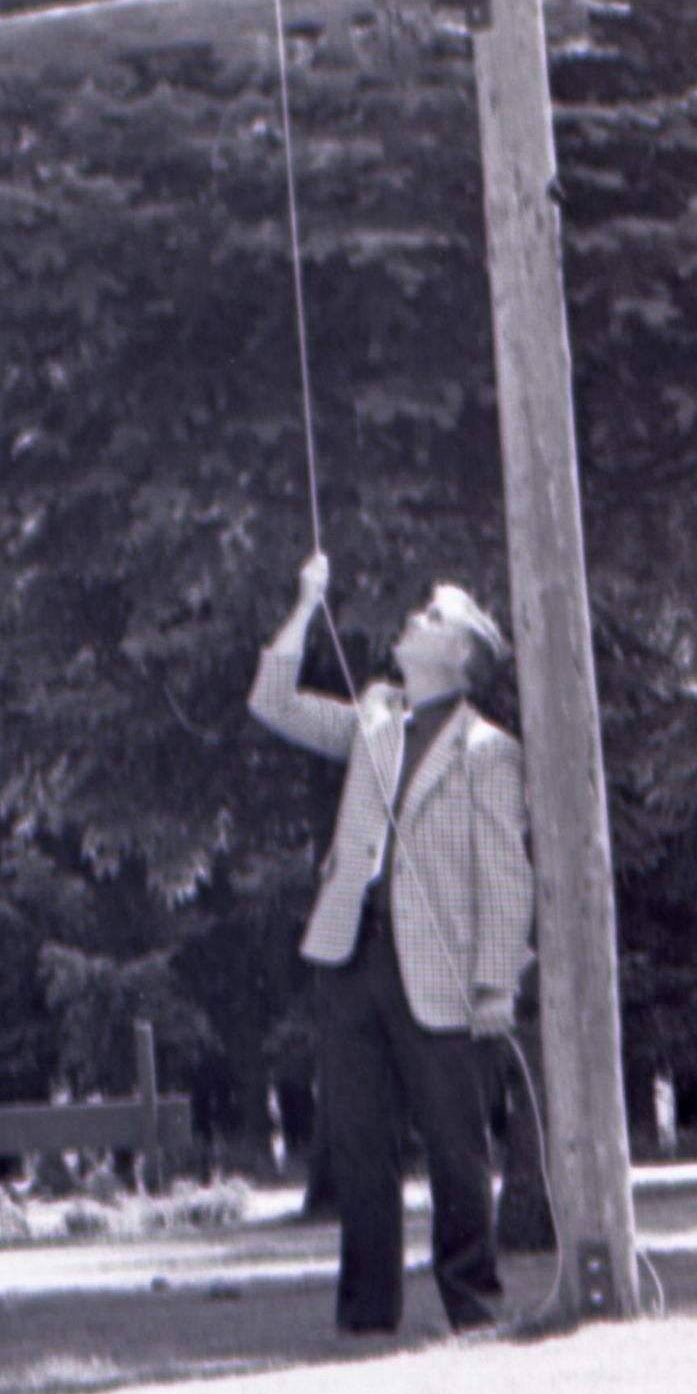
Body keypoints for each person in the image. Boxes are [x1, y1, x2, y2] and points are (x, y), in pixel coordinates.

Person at [249, 550, 535, 1335]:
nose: (414, 618)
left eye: (434, 616)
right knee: (358, 1144)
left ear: (461, 655)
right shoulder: (374, 718)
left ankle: (474, 1307)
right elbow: (272, 702)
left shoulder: (489, 750)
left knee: (456, 1144)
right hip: (350, 956)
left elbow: (504, 876)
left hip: (440, 969)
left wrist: (497, 983)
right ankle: (367, 1319)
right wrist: (305, 607)